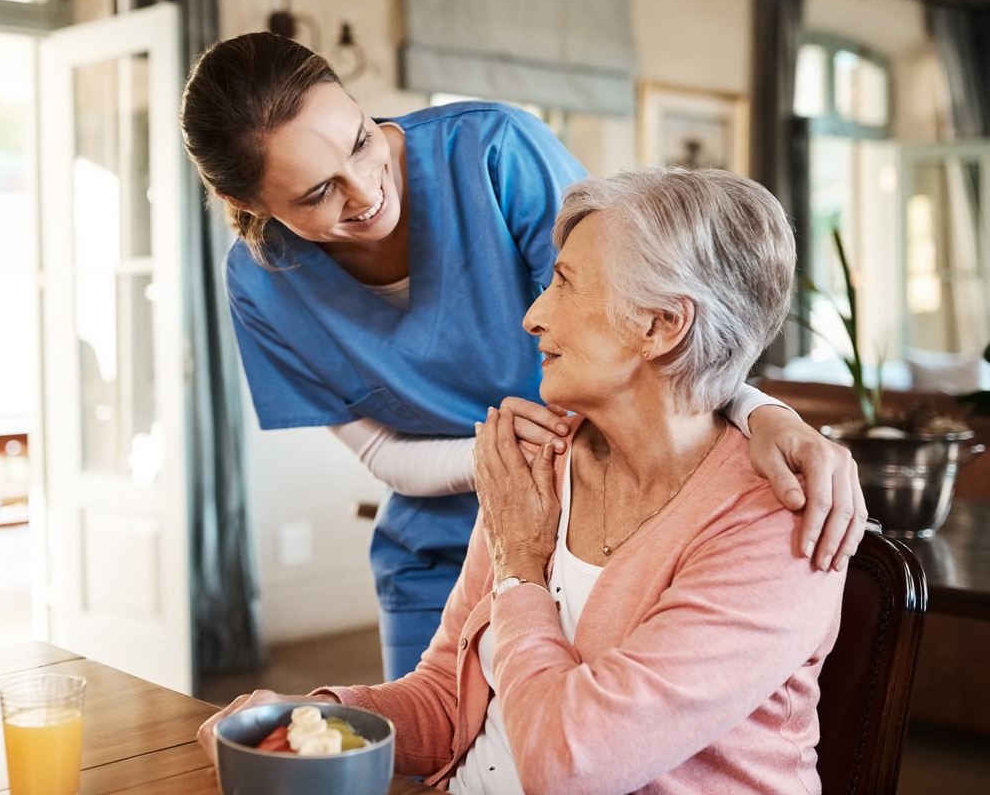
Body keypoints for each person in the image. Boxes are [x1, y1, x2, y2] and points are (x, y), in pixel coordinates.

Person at [180, 32, 865, 680]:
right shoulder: (261, 285)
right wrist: (499, 464)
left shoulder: (493, 152)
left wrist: (763, 412)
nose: (366, 191)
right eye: (317, 193)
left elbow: (653, 316)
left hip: (600, 523)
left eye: (361, 141)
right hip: (439, 548)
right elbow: (380, 455)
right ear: (245, 203)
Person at [198, 167, 850, 794]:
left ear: (660, 326)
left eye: (565, 283)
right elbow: (449, 697)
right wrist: (312, 720)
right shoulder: (543, 461)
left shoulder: (774, 526)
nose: (533, 315)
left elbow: (568, 767)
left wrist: (519, 569)